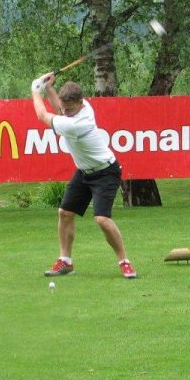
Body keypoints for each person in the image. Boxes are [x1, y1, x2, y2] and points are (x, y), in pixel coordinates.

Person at [31, 72, 136, 279]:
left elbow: (43, 115)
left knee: (102, 219)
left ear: (80, 103)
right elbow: (60, 108)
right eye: (65, 109)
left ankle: (125, 261)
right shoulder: (78, 108)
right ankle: (66, 261)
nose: (66, 113)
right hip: (84, 171)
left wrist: (36, 90)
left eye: (70, 109)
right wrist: (50, 88)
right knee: (64, 213)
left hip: (106, 172)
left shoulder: (77, 123)